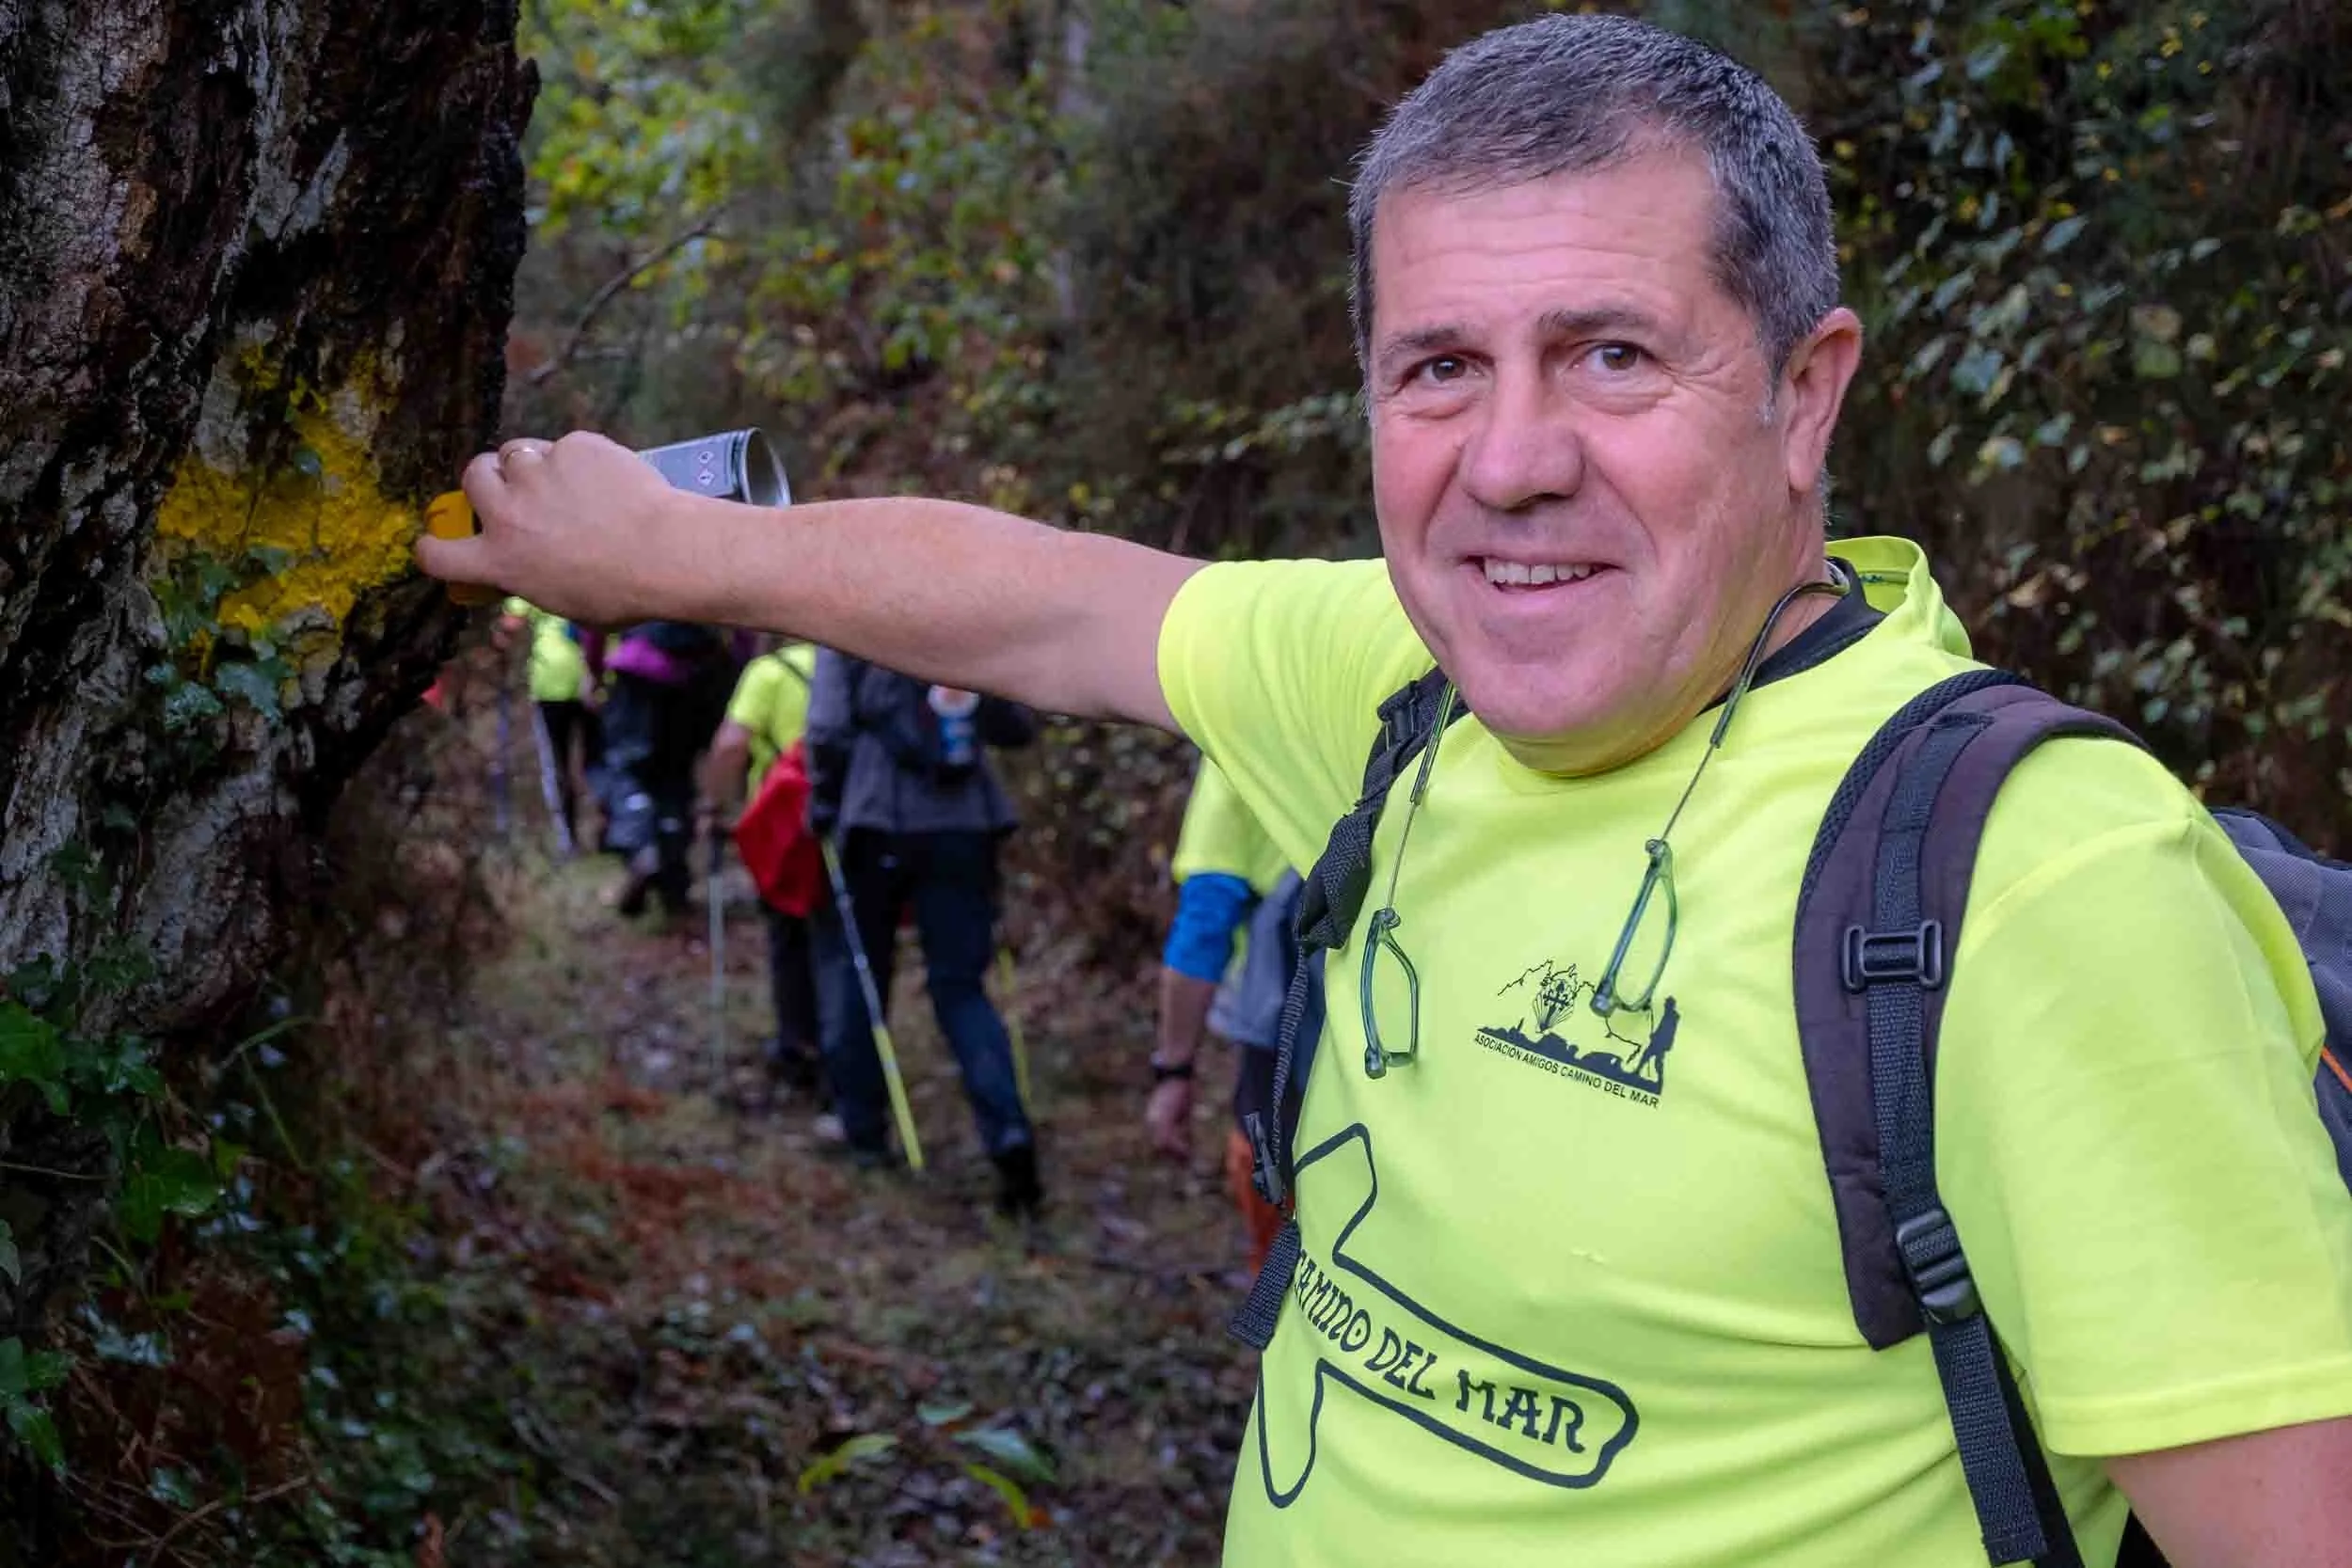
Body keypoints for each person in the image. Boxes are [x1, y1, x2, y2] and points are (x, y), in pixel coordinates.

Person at [422, 13, 2352, 1562]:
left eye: (1609, 354)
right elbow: (1058, 601)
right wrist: (671, 551)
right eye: (1437, 367)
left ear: (1805, 390)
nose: (1509, 460)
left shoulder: (2034, 885)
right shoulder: (1413, 676)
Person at [804, 652, 1043, 1215]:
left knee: (861, 973)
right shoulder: (964, 617)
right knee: (961, 987)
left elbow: (827, 727)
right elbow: (1015, 723)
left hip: (876, 816)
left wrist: (823, 798)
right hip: (965, 821)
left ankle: (864, 1132)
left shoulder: (846, 617)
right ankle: (1008, 1130)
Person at [1150, 757, 1315, 1275]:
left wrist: (1174, 1070)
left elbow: (1206, 922)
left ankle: (1281, 1293)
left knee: (1268, 1151)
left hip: (1286, 1000)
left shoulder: (1240, 743)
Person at [702, 639, 824, 1096]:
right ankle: (841, 1049)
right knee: (837, 935)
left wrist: (714, 803)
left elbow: (732, 744)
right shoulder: (851, 663)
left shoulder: (768, 672)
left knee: (788, 935)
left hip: (782, 822)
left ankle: (797, 1044)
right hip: (848, 813)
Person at [597, 620, 736, 919]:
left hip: (640, 671)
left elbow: (594, 623)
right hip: (698, 676)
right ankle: (673, 877)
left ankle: (641, 847)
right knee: (676, 776)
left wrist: (594, 672)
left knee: (629, 768)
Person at [499, 595, 603, 854]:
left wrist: (500, 642)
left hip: (551, 683)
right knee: (598, 760)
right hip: (594, 680)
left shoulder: (534, 577)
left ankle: (568, 840)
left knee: (555, 763)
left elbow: (511, 624)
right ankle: (608, 830)